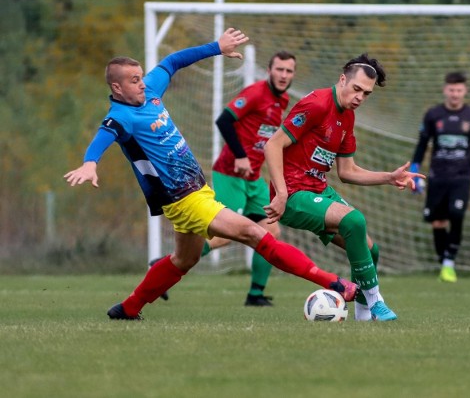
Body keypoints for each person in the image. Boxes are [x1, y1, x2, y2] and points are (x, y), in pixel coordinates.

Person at [63, 28, 357, 320]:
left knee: (184, 259)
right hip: (184, 200)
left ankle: (128, 308)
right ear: (117, 88)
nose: (142, 83)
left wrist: (217, 47)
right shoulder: (120, 117)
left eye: (141, 77)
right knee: (256, 232)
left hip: (196, 191)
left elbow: (173, 61)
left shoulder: (150, 91)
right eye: (134, 80)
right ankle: (333, 282)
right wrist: (90, 163)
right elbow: (104, 135)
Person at [264, 53, 425, 322]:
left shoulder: (348, 117)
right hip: (293, 193)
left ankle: (362, 315)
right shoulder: (316, 103)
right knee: (355, 220)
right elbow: (273, 144)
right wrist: (280, 194)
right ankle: (375, 301)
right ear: (342, 80)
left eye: (367, 93)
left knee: (370, 250)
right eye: (357, 89)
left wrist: (389, 177)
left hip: (317, 190)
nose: (360, 97)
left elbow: (347, 172)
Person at [204, 50, 297, 307]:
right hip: (230, 174)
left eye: (289, 71)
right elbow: (223, 120)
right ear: (269, 71)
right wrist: (240, 155)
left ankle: (255, 294)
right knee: (225, 233)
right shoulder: (256, 93)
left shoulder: (283, 100)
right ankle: (169, 263)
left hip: (254, 178)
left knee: (271, 231)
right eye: (279, 69)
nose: (283, 75)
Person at [409, 71, 470, 283]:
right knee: (437, 222)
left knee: (456, 213)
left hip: (462, 176)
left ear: (465, 91)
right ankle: (444, 262)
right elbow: (422, 144)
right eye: (452, 89)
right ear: (446, 90)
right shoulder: (433, 114)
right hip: (437, 176)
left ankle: (448, 263)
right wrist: (415, 170)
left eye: (459, 90)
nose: (455, 94)